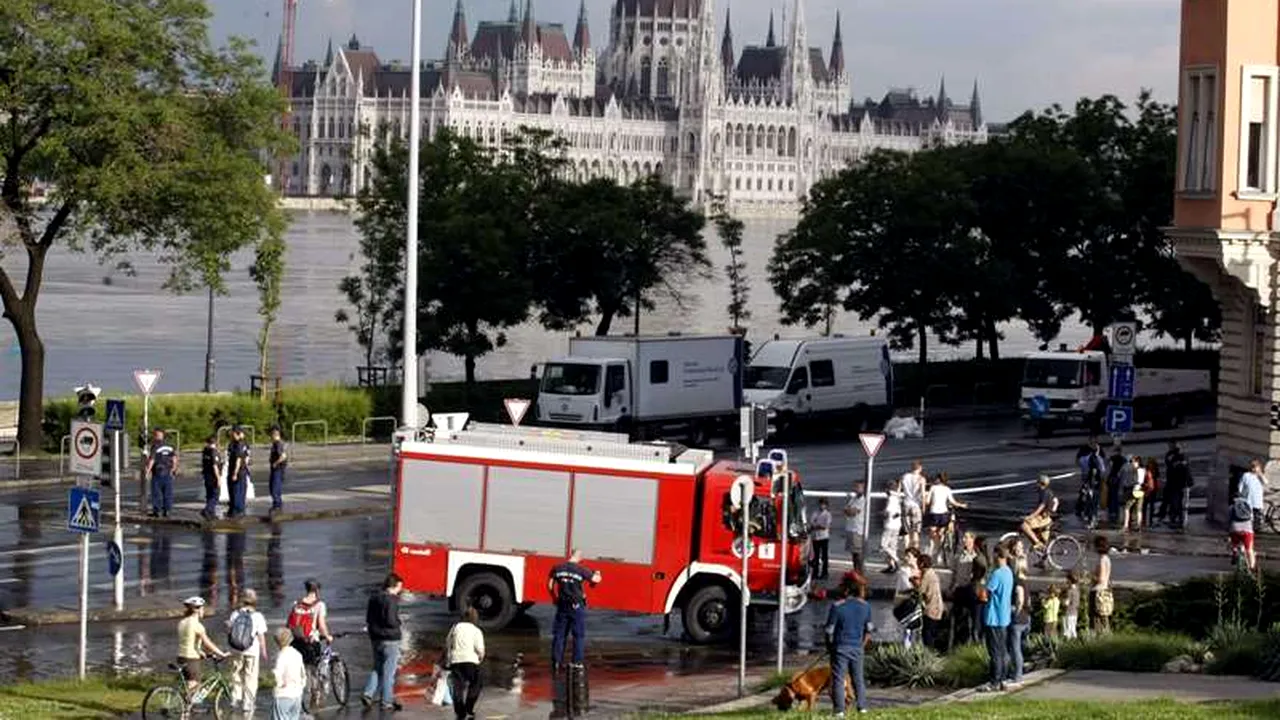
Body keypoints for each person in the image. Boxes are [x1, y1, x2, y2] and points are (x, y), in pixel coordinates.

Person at [825, 578, 871, 715]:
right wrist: (861, 645)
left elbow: (829, 631)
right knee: (858, 679)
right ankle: (862, 708)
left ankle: (839, 710)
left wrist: (829, 646)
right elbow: (868, 630)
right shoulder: (866, 606)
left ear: (846, 590)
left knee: (839, 680)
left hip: (840, 648)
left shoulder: (837, 606)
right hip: (857, 647)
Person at [549, 549, 601, 670]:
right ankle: (577, 663)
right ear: (579, 557)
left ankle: (556, 662)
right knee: (578, 635)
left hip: (562, 604)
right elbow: (595, 580)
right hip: (576, 606)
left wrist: (554, 598)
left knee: (560, 634)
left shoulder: (558, 568)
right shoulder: (581, 570)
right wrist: (598, 574)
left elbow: (550, 584)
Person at [361, 573, 405, 711]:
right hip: (390, 639)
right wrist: (399, 622)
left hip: (375, 637)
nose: (400, 590)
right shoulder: (392, 600)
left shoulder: (374, 597)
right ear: (394, 585)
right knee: (388, 672)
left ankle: (368, 693)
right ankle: (386, 701)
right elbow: (391, 620)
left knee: (377, 668)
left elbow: (368, 618)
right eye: (400, 587)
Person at [227, 588, 269, 714]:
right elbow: (261, 636)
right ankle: (248, 703)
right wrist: (264, 651)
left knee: (235, 673)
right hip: (252, 650)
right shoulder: (258, 616)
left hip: (236, 649)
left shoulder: (235, 614)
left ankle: (235, 698)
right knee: (251, 676)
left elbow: (230, 632)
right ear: (254, 601)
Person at [980, 548, 1013, 692]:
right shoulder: (1009, 572)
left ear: (997, 556)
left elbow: (984, 593)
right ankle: (1004, 679)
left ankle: (994, 681)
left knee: (994, 652)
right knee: (1003, 650)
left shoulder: (997, 574)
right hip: (1005, 616)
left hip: (993, 617)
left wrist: (983, 590)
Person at [177, 596, 227, 693]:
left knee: (190, 685)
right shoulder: (197, 625)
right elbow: (207, 643)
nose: (203, 611)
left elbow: (188, 640)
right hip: (191, 658)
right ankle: (188, 707)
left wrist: (199, 651)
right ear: (197, 609)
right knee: (194, 687)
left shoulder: (182, 622)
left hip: (181, 657)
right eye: (202, 608)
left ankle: (187, 705)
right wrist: (221, 653)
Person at [445, 607, 486, 720]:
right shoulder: (476, 630)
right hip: (471, 661)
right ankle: (469, 707)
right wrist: (480, 659)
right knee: (476, 683)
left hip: (456, 661)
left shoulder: (455, 628)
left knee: (458, 687)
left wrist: (448, 659)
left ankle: (460, 711)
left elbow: (448, 643)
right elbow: (480, 650)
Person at [287, 579, 333, 667]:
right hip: (311, 641)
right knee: (313, 668)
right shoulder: (320, 605)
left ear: (306, 589)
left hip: (296, 641)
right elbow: (322, 626)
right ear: (317, 590)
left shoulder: (296, 603)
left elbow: (289, 624)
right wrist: (327, 637)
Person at [924, 472, 967, 560]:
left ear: (938, 479)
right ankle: (939, 552)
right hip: (944, 514)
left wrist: (923, 498)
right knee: (941, 534)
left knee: (933, 534)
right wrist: (962, 505)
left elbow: (927, 502)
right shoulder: (947, 489)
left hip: (934, 513)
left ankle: (936, 549)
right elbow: (952, 502)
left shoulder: (933, 488)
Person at [1005, 556, 1031, 686]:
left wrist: (1015, 611)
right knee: (1020, 646)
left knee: (1015, 649)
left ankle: (1017, 674)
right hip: (1026, 618)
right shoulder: (1027, 581)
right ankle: (1019, 671)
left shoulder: (1019, 582)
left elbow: (1020, 599)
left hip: (1018, 619)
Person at [272, 627, 305, 720]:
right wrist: (301, 686)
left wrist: (278, 684)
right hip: (297, 694)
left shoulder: (281, 656)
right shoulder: (297, 654)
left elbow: (277, 674)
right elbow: (303, 674)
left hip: (283, 694)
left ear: (277, 642)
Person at [1019, 475, 1057, 551]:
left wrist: (1031, 516)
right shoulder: (1048, 492)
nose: (1036, 484)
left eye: (1037, 482)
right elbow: (1056, 501)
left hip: (1043, 519)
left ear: (1040, 483)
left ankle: (1038, 543)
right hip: (1045, 517)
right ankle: (1039, 546)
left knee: (1024, 526)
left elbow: (1041, 507)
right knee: (1043, 540)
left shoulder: (1045, 492)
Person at [146, 428, 178, 518]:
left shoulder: (155, 446)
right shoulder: (170, 446)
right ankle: (167, 510)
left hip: (158, 472)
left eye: (155, 435)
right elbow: (174, 459)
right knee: (168, 493)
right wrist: (174, 469)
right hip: (168, 472)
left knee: (157, 493)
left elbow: (152, 459)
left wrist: (148, 471)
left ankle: (157, 511)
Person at [917, 554, 944, 650]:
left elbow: (920, 591)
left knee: (927, 634)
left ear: (922, 564)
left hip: (931, 608)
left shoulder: (927, 575)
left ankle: (929, 653)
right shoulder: (933, 573)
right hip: (938, 607)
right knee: (932, 632)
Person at [1164, 441, 1192, 530]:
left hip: (1179, 484)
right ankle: (1180, 521)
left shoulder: (1178, 458)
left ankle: (1180, 521)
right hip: (1180, 484)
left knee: (1179, 504)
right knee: (1179, 504)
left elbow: (1173, 468)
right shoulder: (1173, 457)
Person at [900, 461, 927, 551]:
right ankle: (915, 552)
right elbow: (923, 494)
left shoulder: (904, 476)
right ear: (920, 468)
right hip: (916, 505)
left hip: (906, 504)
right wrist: (923, 507)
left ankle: (906, 551)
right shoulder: (921, 479)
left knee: (906, 531)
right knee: (915, 531)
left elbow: (899, 490)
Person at [1229, 488, 1257, 571]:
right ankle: (1252, 567)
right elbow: (1252, 518)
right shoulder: (1248, 506)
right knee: (1249, 549)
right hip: (1247, 530)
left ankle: (1234, 551)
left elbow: (1228, 520)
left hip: (1235, 529)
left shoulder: (1231, 507)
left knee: (1234, 543)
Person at [880, 477, 904, 574]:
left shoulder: (891, 499)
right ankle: (891, 566)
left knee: (884, 546)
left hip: (889, 525)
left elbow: (888, 512)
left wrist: (881, 513)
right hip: (897, 525)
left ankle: (897, 561)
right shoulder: (898, 497)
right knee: (892, 547)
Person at [226, 427, 251, 518]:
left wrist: (235, 473)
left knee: (236, 491)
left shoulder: (239, 445)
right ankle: (236, 509)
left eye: (233, 434)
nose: (232, 436)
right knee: (239, 490)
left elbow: (238, 460)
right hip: (242, 470)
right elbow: (247, 458)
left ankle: (237, 510)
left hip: (238, 470)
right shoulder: (243, 444)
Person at [1090, 536, 1113, 633]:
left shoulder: (1102, 560)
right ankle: (1106, 635)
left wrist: (1091, 577)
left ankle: (1098, 636)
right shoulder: (1107, 558)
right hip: (1105, 590)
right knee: (1104, 615)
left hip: (1098, 591)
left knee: (1096, 617)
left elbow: (1101, 578)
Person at [843, 482, 866, 573]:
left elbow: (853, 512)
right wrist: (849, 511)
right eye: (855, 487)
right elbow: (845, 510)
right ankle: (855, 569)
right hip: (850, 528)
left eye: (858, 487)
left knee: (858, 552)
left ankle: (859, 570)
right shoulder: (853, 499)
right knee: (853, 552)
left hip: (858, 529)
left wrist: (850, 511)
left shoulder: (863, 500)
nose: (856, 489)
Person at [1240, 459, 1267, 534]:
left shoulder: (1260, 476)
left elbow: (1266, 482)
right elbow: (1241, 486)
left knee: (1257, 515)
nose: (1254, 469)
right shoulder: (1246, 475)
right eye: (1253, 467)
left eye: (1256, 467)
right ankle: (1250, 530)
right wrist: (1241, 494)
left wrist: (1260, 475)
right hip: (1248, 499)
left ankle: (1256, 528)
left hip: (1257, 499)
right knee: (1249, 516)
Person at [1121, 455, 1145, 533]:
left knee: (1127, 508)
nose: (1132, 463)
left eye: (1133, 462)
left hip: (1135, 490)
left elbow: (1135, 481)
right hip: (1141, 490)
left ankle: (1126, 525)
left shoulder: (1135, 470)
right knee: (1139, 509)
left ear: (1137, 462)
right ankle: (1138, 525)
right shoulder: (1143, 470)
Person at [200, 435, 222, 520]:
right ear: (215, 442)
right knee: (215, 495)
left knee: (209, 494)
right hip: (213, 475)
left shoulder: (205, 451)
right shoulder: (213, 452)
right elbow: (215, 465)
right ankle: (207, 510)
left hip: (206, 475)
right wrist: (218, 478)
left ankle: (211, 513)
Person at [810, 499, 832, 580]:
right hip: (816, 537)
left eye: (823, 504)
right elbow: (811, 523)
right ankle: (815, 573)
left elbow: (825, 526)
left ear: (826, 505)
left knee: (824, 556)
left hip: (824, 538)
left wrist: (817, 525)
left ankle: (824, 573)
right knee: (815, 556)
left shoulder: (828, 514)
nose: (822, 506)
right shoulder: (815, 513)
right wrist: (818, 525)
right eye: (821, 504)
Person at [1106, 444, 1126, 525]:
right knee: (1116, 497)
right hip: (1119, 479)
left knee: (1112, 496)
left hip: (1112, 479)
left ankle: (1112, 512)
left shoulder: (1112, 459)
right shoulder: (1123, 459)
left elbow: (1108, 469)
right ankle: (1115, 512)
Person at [1142, 458, 1161, 529]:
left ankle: (1147, 520)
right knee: (1147, 505)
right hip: (1149, 489)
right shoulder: (1152, 469)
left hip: (1151, 489)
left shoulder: (1152, 470)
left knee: (1148, 505)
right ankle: (1147, 520)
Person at [1062, 571, 1081, 639]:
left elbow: (1066, 603)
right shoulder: (1077, 590)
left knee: (1067, 631)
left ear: (1070, 580)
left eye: (1067, 580)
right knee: (1073, 630)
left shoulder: (1069, 591)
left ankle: (1067, 644)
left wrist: (1062, 601)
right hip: (1075, 613)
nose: (1066, 581)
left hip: (1068, 613)